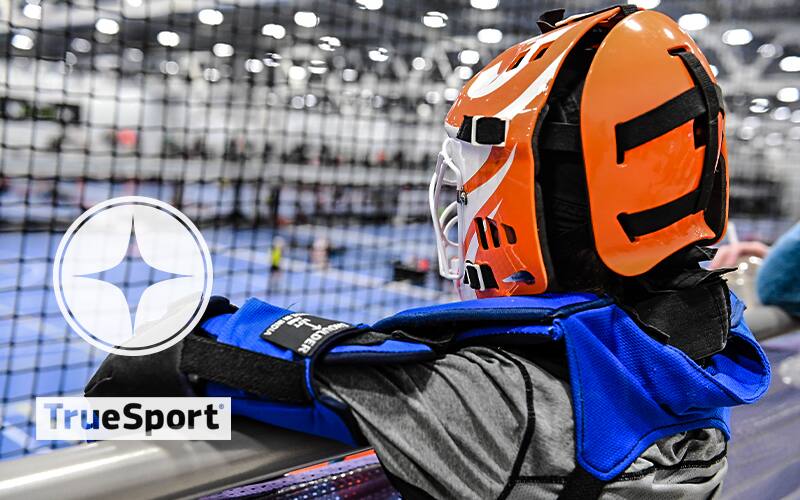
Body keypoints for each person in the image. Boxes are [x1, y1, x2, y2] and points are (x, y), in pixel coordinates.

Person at [85, 6, 770, 499]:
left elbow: (191, 348)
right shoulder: (705, 332)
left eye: (483, 165)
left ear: (545, 189)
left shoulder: (504, 395)